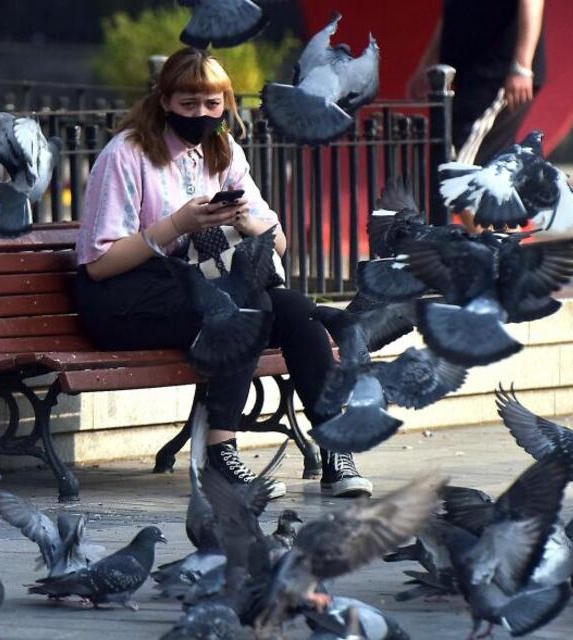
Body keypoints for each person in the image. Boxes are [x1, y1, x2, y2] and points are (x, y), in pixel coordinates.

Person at [74, 47, 373, 499]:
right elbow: (98, 265)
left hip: (191, 289)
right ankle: (219, 454)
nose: (202, 115)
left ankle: (335, 446)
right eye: (189, 104)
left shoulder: (223, 148)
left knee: (299, 311)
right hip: (122, 298)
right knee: (242, 306)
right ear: (164, 101)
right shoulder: (127, 154)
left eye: (212, 105)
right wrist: (176, 226)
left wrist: (243, 221)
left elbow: (279, 241)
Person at [408, 0, 547, 166]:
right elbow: (451, 12)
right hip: (465, 75)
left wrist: (522, 66)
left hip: (496, 75)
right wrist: (429, 63)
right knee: (476, 166)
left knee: (458, 168)